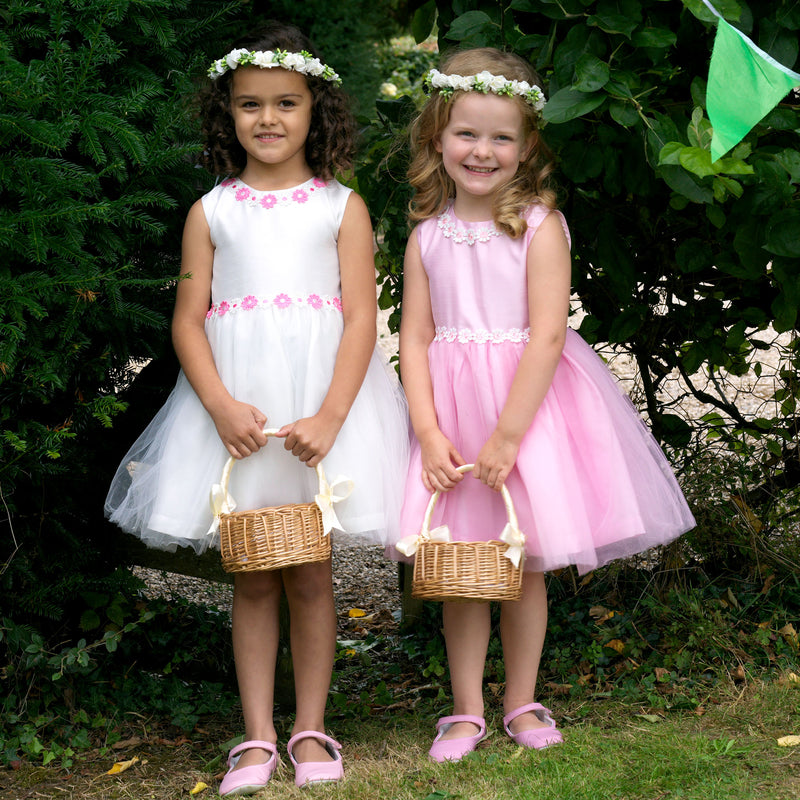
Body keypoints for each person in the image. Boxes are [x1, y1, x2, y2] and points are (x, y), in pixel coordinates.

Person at [105, 21, 408, 795]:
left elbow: (361, 319)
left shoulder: (343, 206)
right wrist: (218, 406)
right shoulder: (212, 211)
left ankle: (310, 727)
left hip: (316, 410)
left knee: (311, 571)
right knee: (250, 574)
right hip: (236, 416)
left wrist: (333, 416)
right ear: (227, 115)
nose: (268, 119)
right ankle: (257, 736)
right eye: (249, 105)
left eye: (286, 103)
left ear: (317, 112)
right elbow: (187, 318)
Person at [391, 48, 695, 763]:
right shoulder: (425, 236)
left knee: (524, 565)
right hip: (453, 420)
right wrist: (430, 432)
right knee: (461, 568)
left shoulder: (538, 224)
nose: (483, 151)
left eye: (502, 137)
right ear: (438, 135)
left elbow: (549, 333)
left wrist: (507, 437)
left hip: (524, 417)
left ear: (528, 146)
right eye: (467, 133)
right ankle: (464, 710)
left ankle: (520, 699)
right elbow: (415, 334)